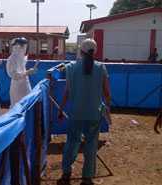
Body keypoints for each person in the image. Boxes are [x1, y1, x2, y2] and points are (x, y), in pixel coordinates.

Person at [57, 39, 111, 185]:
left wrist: (61, 109)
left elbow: (67, 92)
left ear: (80, 51)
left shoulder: (71, 67)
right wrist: (108, 108)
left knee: (72, 143)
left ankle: (66, 173)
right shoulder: (101, 67)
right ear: (95, 51)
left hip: (76, 113)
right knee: (91, 145)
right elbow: (107, 93)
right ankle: (87, 177)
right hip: (94, 114)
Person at [6, 37, 37, 107]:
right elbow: (13, 75)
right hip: (17, 88)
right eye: (23, 46)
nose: (24, 48)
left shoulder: (22, 58)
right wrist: (27, 73)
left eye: (25, 46)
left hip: (25, 85)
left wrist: (30, 71)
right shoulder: (12, 59)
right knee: (17, 107)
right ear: (17, 46)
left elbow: (23, 71)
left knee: (27, 105)